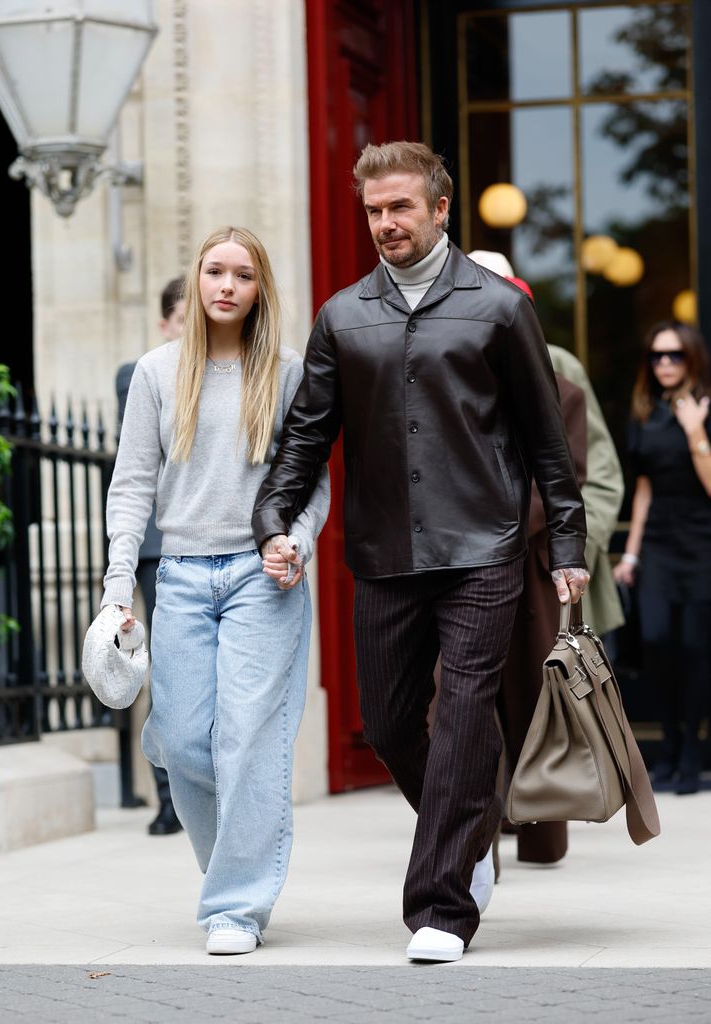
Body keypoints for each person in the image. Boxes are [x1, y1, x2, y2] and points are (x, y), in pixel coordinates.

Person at [252, 141, 588, 962]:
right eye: (373, 210)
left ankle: (441, 906)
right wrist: (272, 516)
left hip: (484, 546)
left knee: (467, 708)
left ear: (441, 210)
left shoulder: (500, 309)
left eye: (401, 207)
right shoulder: (342, 315)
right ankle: (469, 835)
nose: (385, 223)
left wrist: (567, 545)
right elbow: (305, 435)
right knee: (391, 722)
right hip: (385, 552)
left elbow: (548, 440)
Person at [101, 226, 330, 955]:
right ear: (196, 281)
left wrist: (299, 540)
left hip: (262, 579)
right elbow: (132, 482)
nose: (227, 285)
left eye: (243, 275)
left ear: (261, 289)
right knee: (187, 745)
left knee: (249, 742)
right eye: (214, 272)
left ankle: (233, 907)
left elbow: (313, 481)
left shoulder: (289, 374)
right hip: (182, 576)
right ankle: (233, 870)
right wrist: (115, 586)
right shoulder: (157, 372)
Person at [466, 258, 625, 867]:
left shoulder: (562, 382)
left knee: (537, 698)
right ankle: (479, 830)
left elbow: (571, 478)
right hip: (464, 564)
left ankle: (541, 831)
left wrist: (577, 550)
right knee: (463, 698)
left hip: (533, 564)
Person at [614, 320, 711, 796]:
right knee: (656, 644)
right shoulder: (644, 411)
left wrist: (696, 433)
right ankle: (668, 751)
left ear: (691, 358)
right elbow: (644, 489)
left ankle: (692, 755)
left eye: (674, 355)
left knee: (694, 650)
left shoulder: (704, 408)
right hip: (657, 545)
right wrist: (630, 554)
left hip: (702, 543)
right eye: (657, 356)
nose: (665, 364)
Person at [115, 276, 186, 836]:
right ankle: (167, 796)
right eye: (184, 320)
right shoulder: (141, 374)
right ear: (166, 322)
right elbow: (140, 466)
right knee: (163, 668)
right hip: (157, 551)